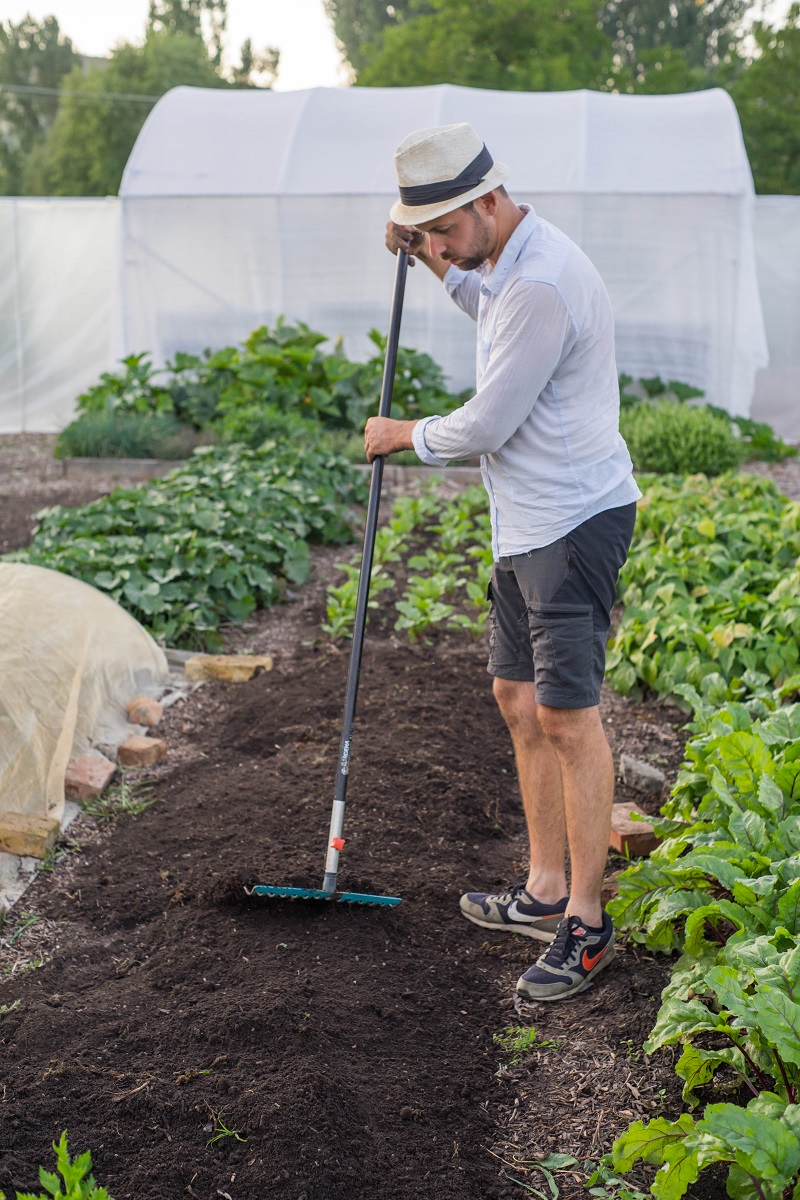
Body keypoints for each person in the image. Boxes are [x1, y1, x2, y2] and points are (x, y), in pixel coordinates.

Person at [365, 122, 641, 1003]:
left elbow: (486, 425)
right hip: (524, 524)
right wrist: (434, 264)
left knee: (568, 717)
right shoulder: (506, 269)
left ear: (489, 201)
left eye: (445, 230)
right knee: (517, 699)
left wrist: (402, 434)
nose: (441, 244)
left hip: (570, 523)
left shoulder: (547, 281)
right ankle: (544, 889)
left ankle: (588, 926)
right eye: (428, 232)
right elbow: (489, 306)